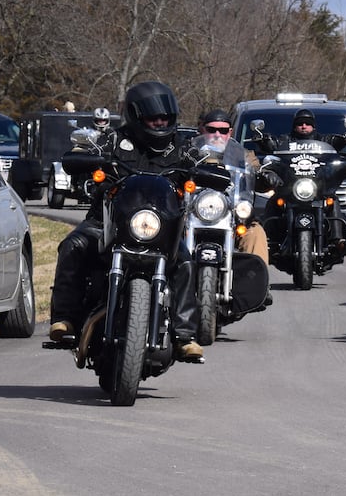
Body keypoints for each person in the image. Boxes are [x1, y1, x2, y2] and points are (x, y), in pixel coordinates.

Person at [48, 80, 206, 361]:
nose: (160, 122)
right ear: (136, 116)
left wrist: (211, 169)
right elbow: (82, 155)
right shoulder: (112, 140)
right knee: (72, 245)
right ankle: (65, 319)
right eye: (153, 117)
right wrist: (82, 157)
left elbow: (209, 165)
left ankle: (184, 336)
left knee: (184, 261)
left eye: (164, 117)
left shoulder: (181, 148)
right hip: (106, 221)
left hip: (161, 229)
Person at [194, 108, 272, 271]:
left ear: (230, 132)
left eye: (222, 131)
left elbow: (256, 170)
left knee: (255, 233)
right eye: (211, 129)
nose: (217, 134)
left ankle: (257, 287)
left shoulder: (243, 155)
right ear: (203, 130)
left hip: (231, 214)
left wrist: (266, 176)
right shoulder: (189, 151)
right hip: (194, 213)